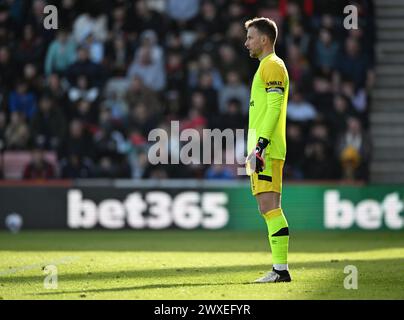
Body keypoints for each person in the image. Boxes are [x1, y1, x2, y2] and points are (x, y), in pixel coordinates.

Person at [244, 17, 291, 283]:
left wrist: (260, 146)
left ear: (264, 39)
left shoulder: (272, 65)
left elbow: (274, 109)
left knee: (270, 207)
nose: (246, 42)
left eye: (250, 37)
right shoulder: (266, 66)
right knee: (267, 208)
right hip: (263, 148)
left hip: (268, 149)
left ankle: (280, 270)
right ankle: (279, 269)